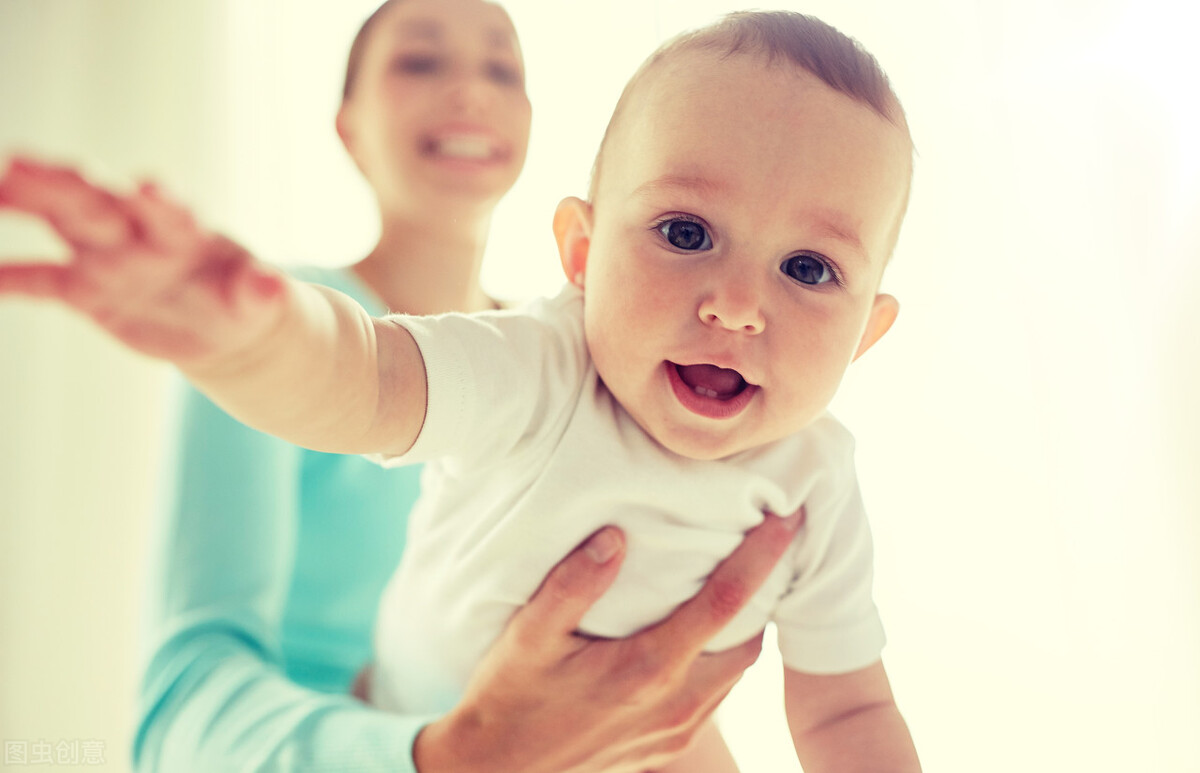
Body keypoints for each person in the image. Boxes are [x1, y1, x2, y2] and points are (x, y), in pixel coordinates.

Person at [0, 9, 920, 772]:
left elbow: (846, 711)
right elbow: (361, 377)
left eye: (808, 265)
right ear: (584, 253)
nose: (736, 305)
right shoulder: (532, 363)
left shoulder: (814, 476)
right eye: (686, 233)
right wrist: (250, 338)